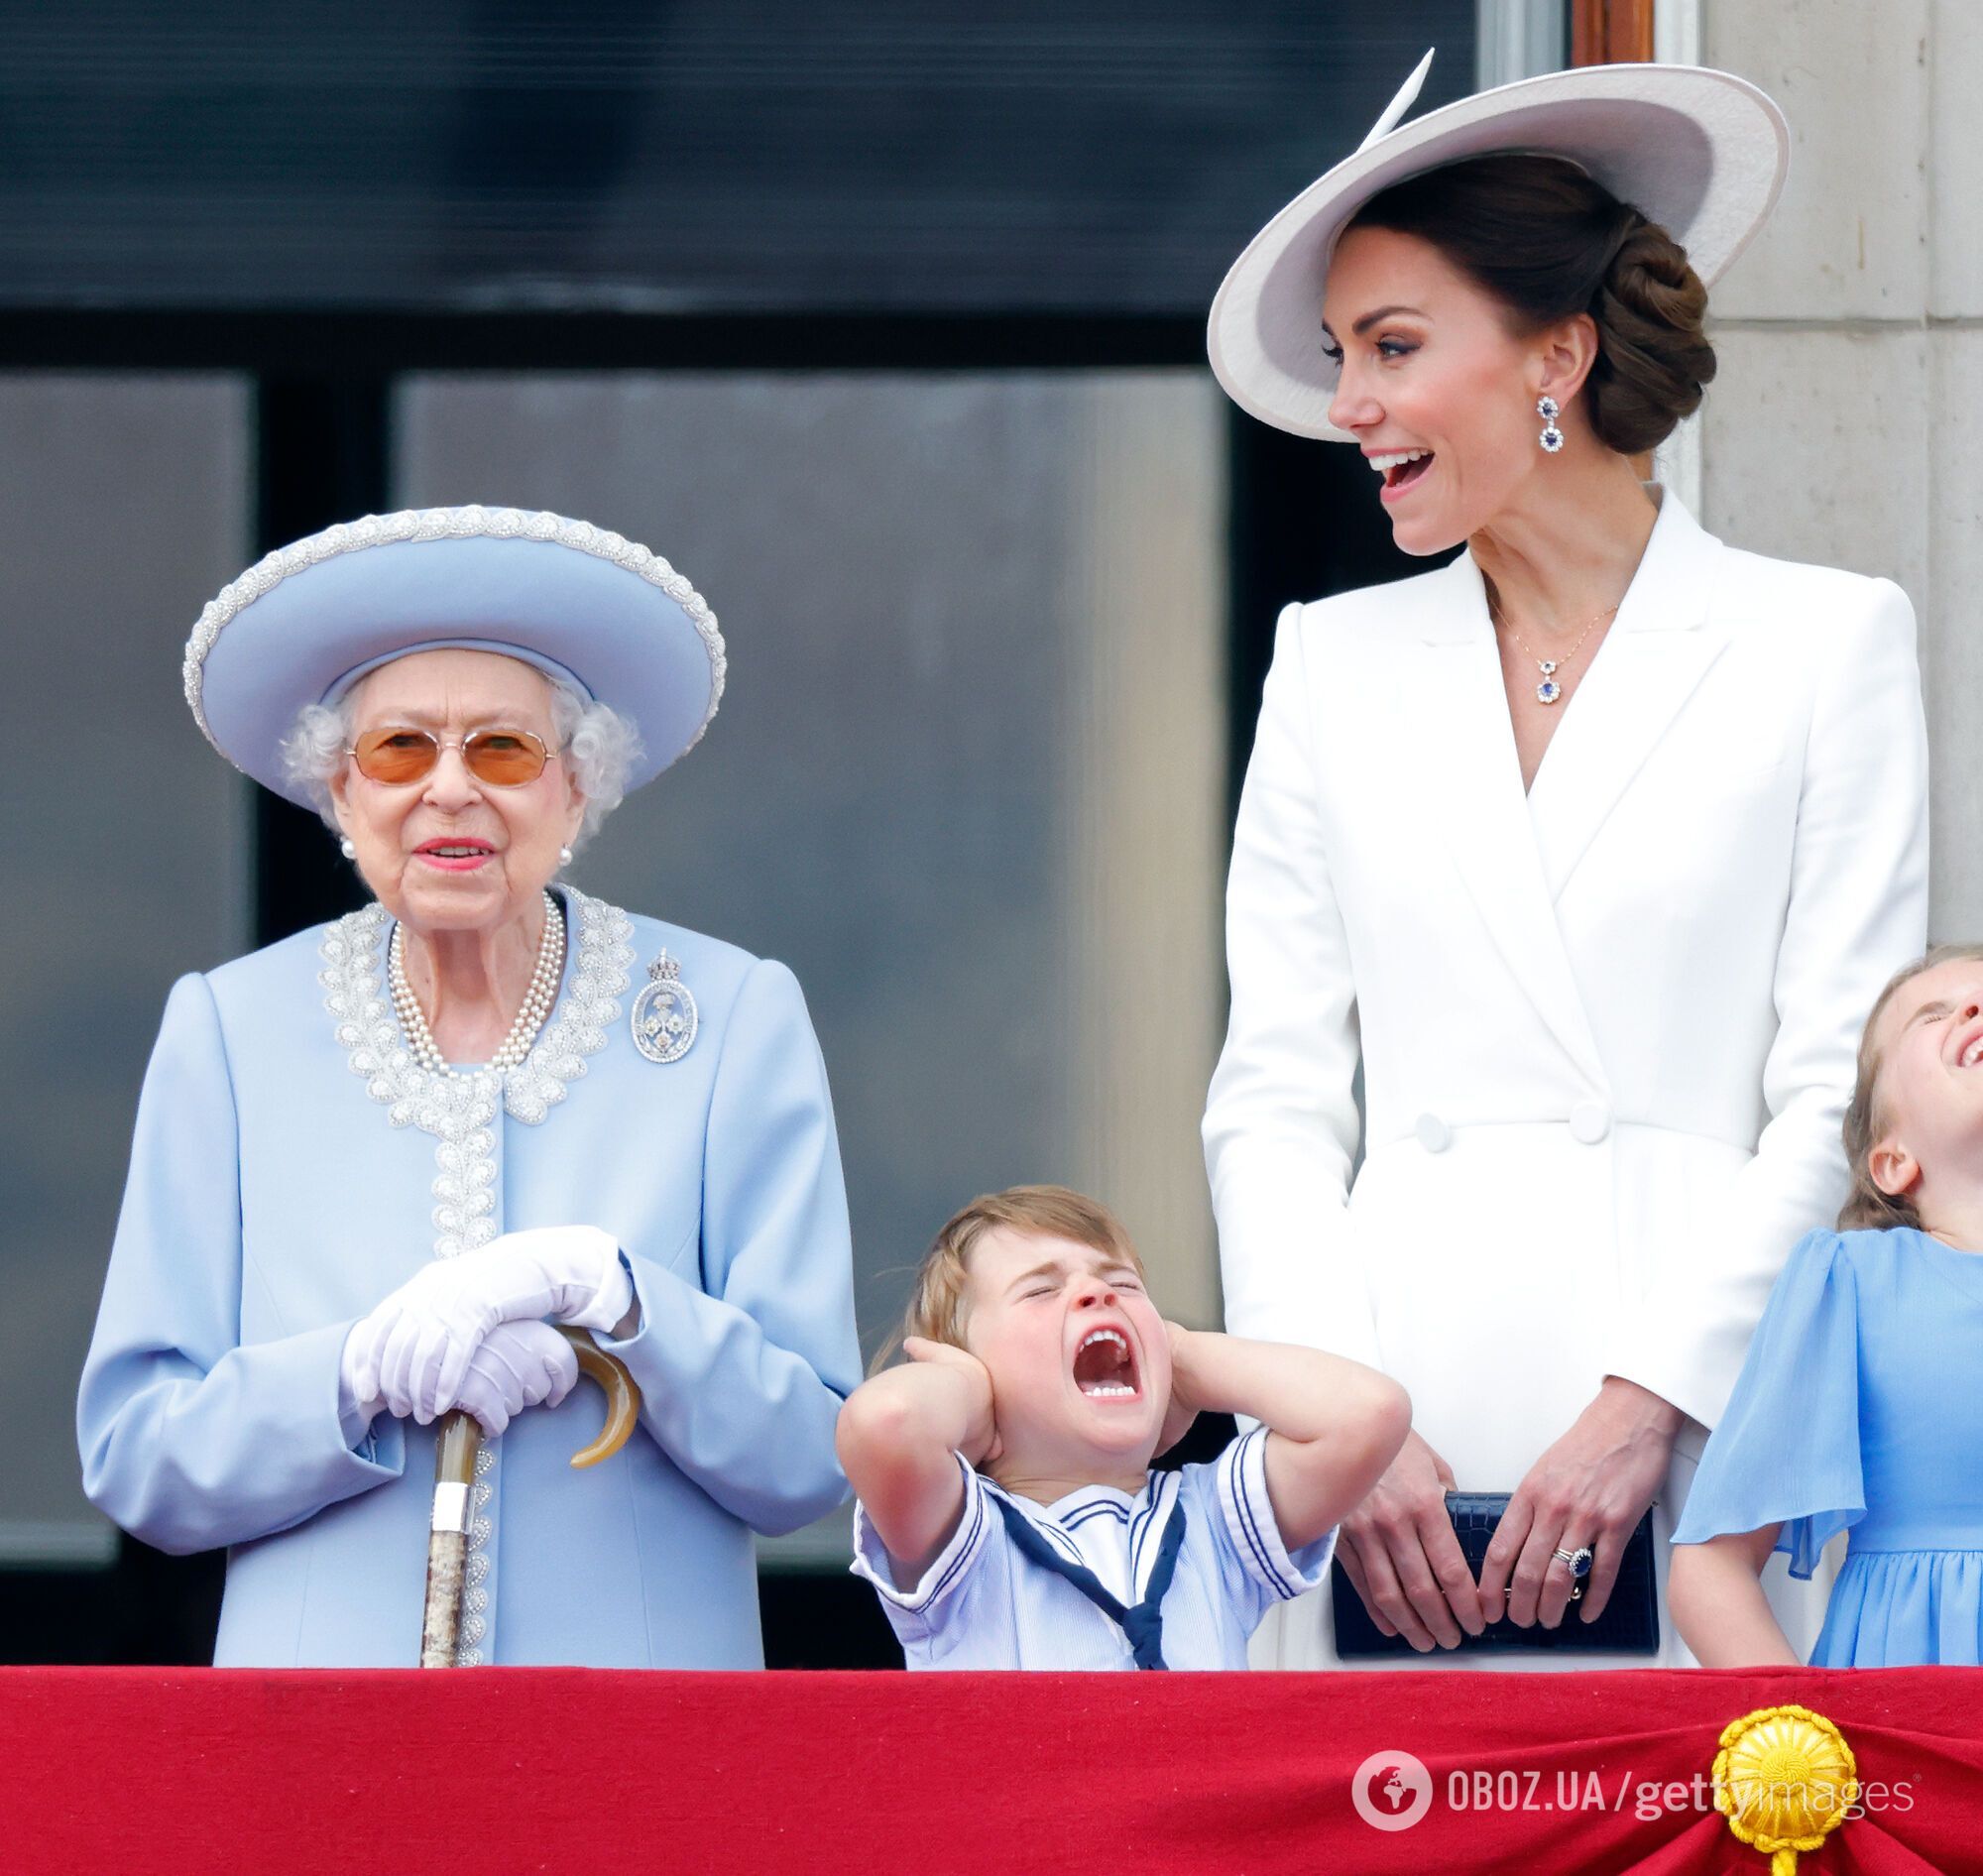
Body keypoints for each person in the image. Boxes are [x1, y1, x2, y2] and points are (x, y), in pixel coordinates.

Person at [1200, 57, 1930, 1668]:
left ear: (1560, 354)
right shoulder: (1331, 663)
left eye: (1394, 349)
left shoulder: (1823, 643)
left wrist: (1651, 1401)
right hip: (1391, 1441)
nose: (1351, 407)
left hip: (1708, 1428)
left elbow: (1837, 1090)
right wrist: (1338, 1419)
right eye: (1343, 358)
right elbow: (1274, 1094)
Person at [77, 505, 861, 1667]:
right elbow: (139, 1457)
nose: (449, 790)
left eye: (503, 749)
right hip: (317, 1749)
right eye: (400, 749)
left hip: (642, 1748)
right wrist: (348, 1374)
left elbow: (808, 1455)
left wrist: (619, 1296)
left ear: (576, 792)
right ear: (340, 794)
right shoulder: (231, 1029)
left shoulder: (728, 1015)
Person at [837, 1184, 1409, 1669]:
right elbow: (884, 1423)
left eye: (1128, 1288)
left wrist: (1180, 1356)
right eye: (1041, 1290)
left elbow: (1368, 1413)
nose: (1099, 1292)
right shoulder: (964, 1535)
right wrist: (971, 1390)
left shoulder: (1215, 1524)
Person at [1670, 947, 1983, 1667]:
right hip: (1902, 1728)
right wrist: (1804, 1756)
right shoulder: (1848, 1282)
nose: (1975, 1010)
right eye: (1937, 1014)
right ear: (1892, 1158)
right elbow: (1711, 1569)